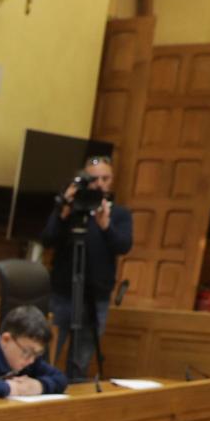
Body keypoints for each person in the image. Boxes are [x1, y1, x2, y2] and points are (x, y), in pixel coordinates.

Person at [38, 156, 133, 378]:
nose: (99, 183)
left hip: (95, 295)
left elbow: (123, 245)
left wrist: (106, 227)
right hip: (62, 294)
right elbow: (47, 239)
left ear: (112, 181)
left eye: (105, 178)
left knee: (81, 359)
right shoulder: (69, 211)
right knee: (47, 353)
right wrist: (62, 211)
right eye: (94, 179)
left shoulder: (119, 214)